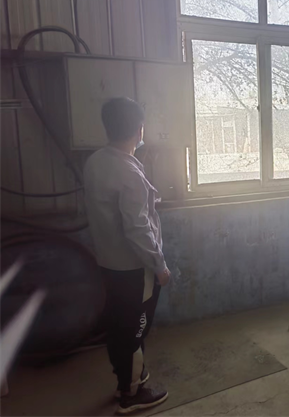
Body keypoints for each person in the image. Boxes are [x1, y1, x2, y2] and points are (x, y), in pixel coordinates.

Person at [84, 97, 170, 414]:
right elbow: (137, 228)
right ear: (139, 129)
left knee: (119, 324)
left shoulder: (96, 162)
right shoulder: (129, 172)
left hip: (108, 263)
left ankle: (127, 377)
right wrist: (159, 265)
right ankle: (132, 393)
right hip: (135, 268)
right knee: (135, 328)